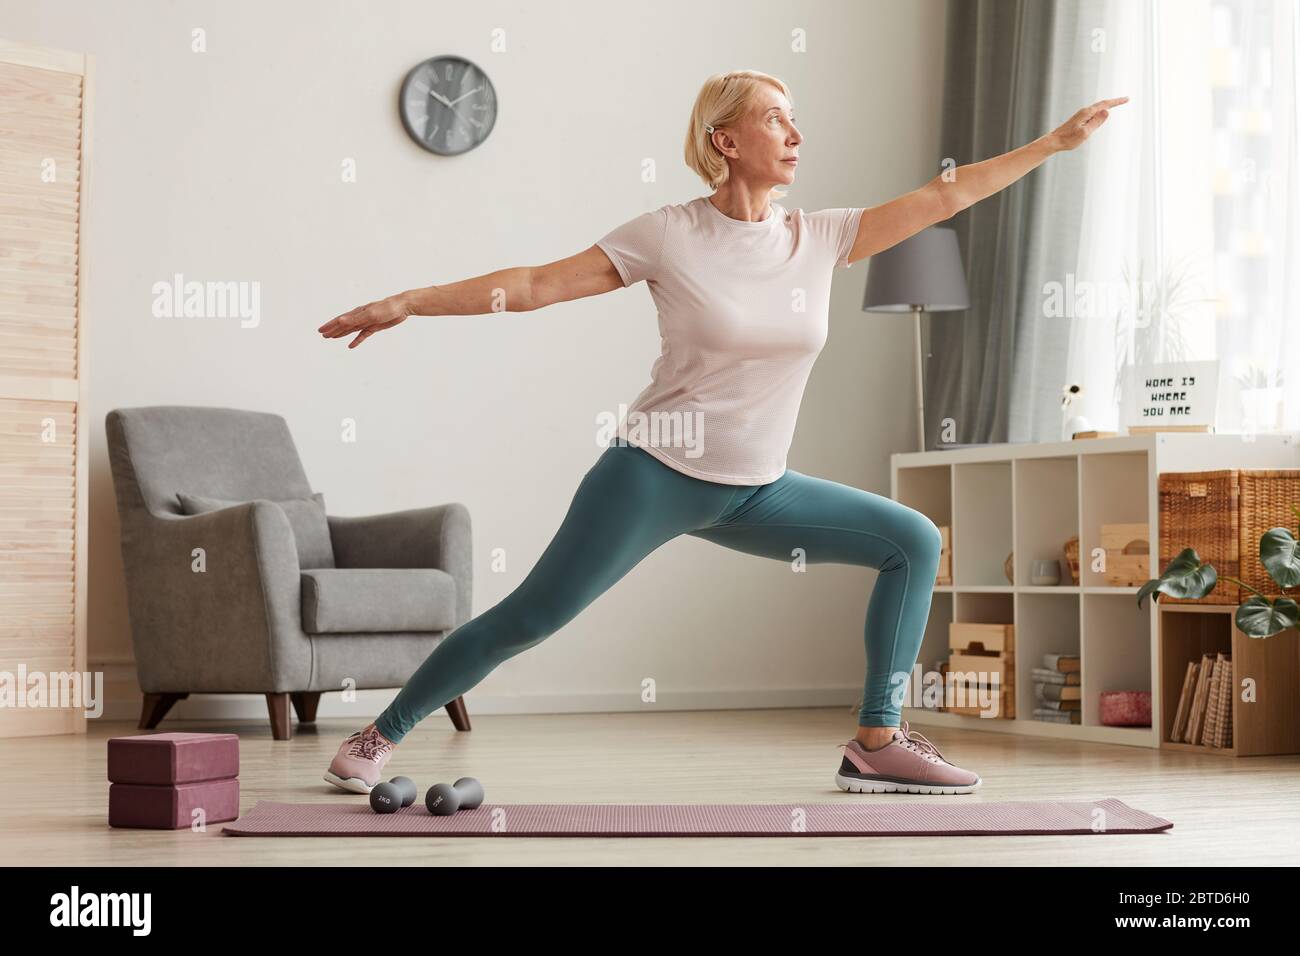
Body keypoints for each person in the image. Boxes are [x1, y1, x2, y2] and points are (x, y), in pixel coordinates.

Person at [317, 69, 1126, 795]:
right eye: (776, 118)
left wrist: (1054, 143)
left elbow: (944, 197)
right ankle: (374, 737)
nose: (796, 133)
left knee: (912, 538)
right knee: (530, 618)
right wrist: (407, 302)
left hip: (759, 491)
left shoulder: (823, 238)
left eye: (795, 117)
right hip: (652, 475)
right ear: (725, 140)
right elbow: (534, 285)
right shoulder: (669, 234)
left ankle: (877, 741)